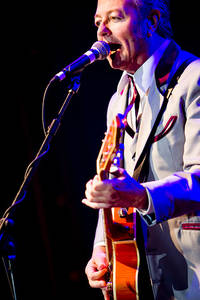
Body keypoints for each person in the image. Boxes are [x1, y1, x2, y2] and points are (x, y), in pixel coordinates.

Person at [82, 0, 200, 299]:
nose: (102, 31)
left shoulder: (194, 79)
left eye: (114, 18)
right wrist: (103, 249)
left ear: (151, 21)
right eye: (98, 22)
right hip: (142, 276)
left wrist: (140, 196)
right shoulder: (118, 100)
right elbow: (115, 189)